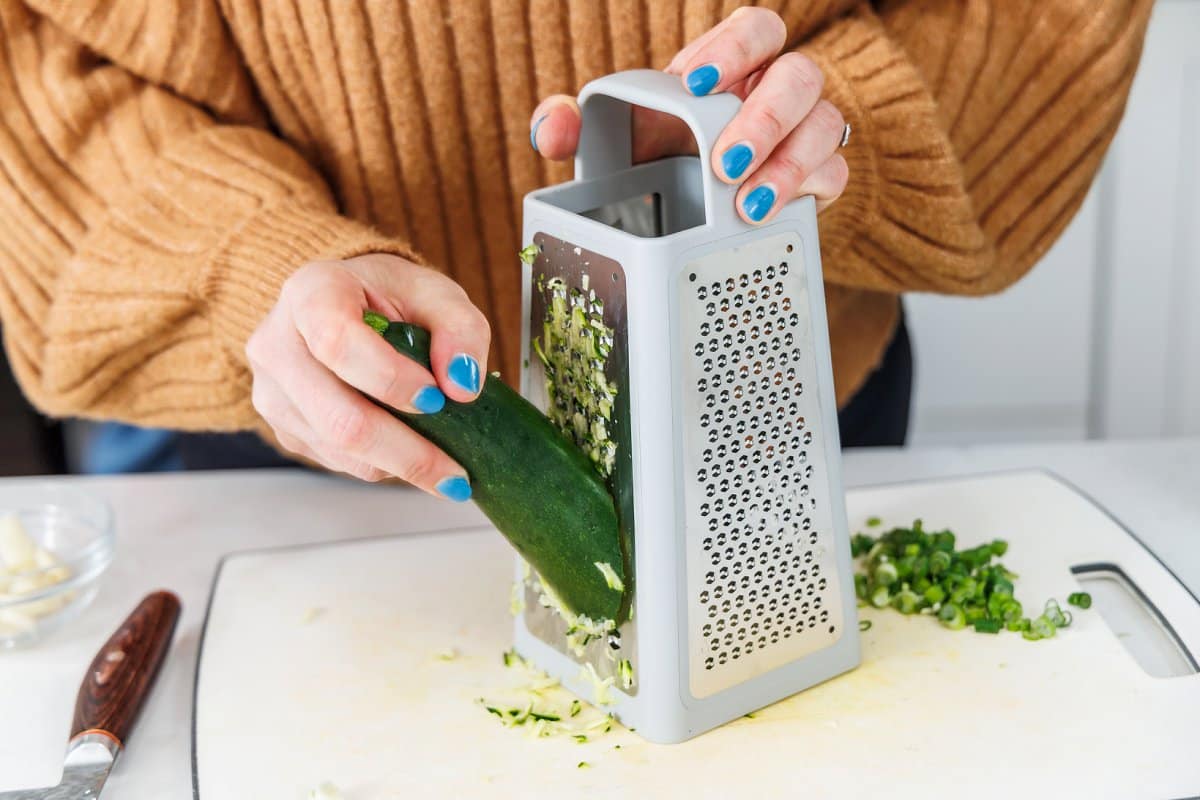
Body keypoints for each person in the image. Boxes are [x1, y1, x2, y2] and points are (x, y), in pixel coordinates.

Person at [0, 2, 1151, 495]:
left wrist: (819, 133)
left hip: (775, 410)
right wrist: (247, 259)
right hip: (303, 441)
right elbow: (41, 55)